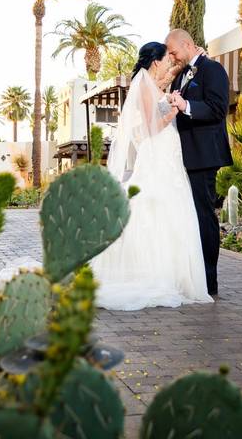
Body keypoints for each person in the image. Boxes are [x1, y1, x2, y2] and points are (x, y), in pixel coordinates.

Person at [89, 41, 213, 310]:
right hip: (158, 151)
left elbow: (158, 105)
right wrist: (174, 111)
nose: (169, 63)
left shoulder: (147, 83)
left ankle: (170, 273)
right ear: (155, 61)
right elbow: (151, 128)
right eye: (166, 59)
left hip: (166, 153)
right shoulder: (143, 85)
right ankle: (152, 272)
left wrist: (170, 97)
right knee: (157, 207)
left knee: (169, 208)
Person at [165, 29, 232, 296]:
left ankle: (208, 280)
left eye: (173, 51)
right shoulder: (181, 75)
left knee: (204, 216)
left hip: (204, 156)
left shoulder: (212, 69)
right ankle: (191, 275)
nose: (171, 56)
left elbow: (218, 109)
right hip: (183, 155)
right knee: (188, 217)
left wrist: (186, 107)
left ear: (187, 44)